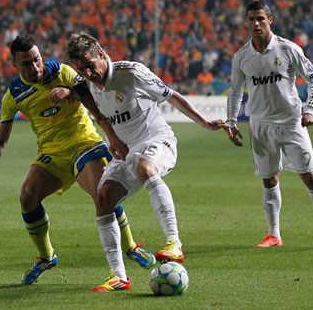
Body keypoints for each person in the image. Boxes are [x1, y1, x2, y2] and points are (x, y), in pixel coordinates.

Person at [0, 35, 156, 286]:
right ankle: (46, 256)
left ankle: (130, 247)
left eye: (36, 59)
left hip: (85, 143)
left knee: (102, 192)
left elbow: (94, 100)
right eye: (26, 63)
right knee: (27, 196)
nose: (35, 67)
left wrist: (72, 93)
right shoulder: (14, 95)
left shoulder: (63, 72)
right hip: (52, 154)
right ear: (15, 66)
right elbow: (1, 138)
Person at [67, 32, 232, 292]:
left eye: (90, 64)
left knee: (145, 166)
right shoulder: (90, 85)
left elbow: (171, 95)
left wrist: (205, 122)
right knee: (103, 197)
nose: (88, 72)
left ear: (101, 53)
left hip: (157, 140)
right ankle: (119, 276)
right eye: (82, 68)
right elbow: (101, 116)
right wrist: (112, 138)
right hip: (126, 151)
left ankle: (174, 243)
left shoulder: (131, 73)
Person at [226, 0, 313, 249]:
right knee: (269, 179)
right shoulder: (242, 56)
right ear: (246, 22)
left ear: (270, 20)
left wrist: (309, 109)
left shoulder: (287, 49)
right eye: (251, 19)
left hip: (291, 123)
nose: (256, 23)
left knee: (309, 176)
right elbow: (235, 92)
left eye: (260, 19)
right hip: (260, 126)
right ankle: (273, 234)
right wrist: (231, 123)